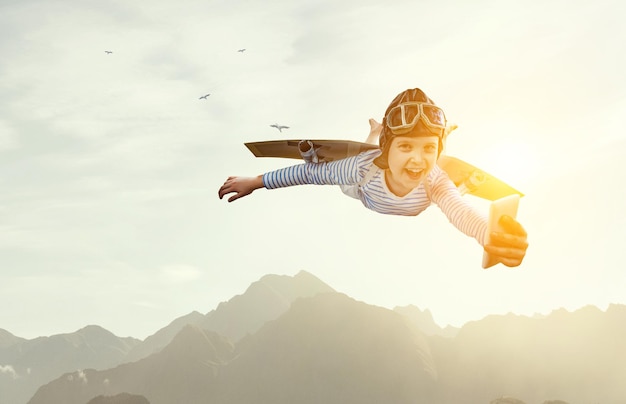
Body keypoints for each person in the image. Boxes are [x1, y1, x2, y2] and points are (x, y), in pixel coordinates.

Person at [218, 88, 528, 267]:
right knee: (360, 155)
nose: (418, 160)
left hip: (419, 195)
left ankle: (436, 137)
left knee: (448, 186)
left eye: (428, 148)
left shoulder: (435, 179)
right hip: (362, 191)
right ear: (389, 148)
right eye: (405, 147)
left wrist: (488, 235)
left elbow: (460, 211)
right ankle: (375, 131)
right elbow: (306, 174)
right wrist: (255, 182)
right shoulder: (360, 168)